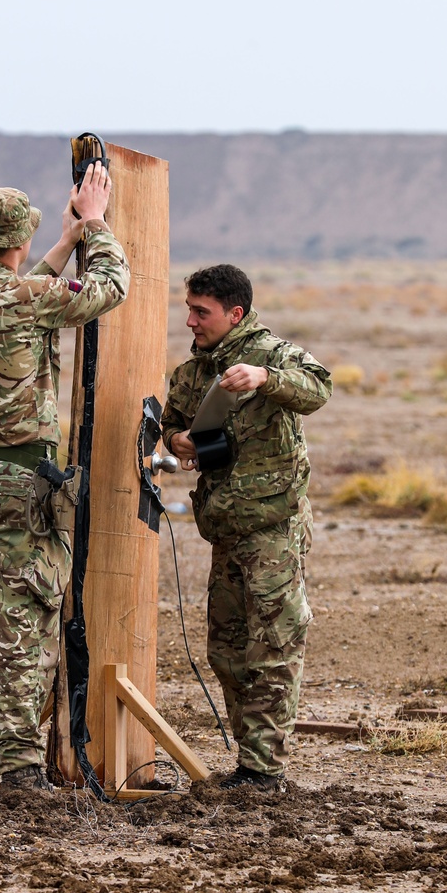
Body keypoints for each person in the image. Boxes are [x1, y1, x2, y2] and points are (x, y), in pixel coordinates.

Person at [0, 167, 128, 806]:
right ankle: (19, 771)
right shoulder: (29, 297)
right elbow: (110, 287)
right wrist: (95, 223)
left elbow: (16, 287)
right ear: (17, 243)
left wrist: (61, 246)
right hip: (17, 479)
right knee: (22, 621)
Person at [161, 264, 332, 793]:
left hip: (272, 529)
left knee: (274, 646)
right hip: (226, 530)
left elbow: (319, 388)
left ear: (234, 314)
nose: (190, 320)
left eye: (201, 311)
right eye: (188, 309)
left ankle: (263, 770)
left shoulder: (271, 353)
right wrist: (177, 443)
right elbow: (171, 423)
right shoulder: (193, 373)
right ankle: (252, 761)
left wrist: (265, 379)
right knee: (228, 652)